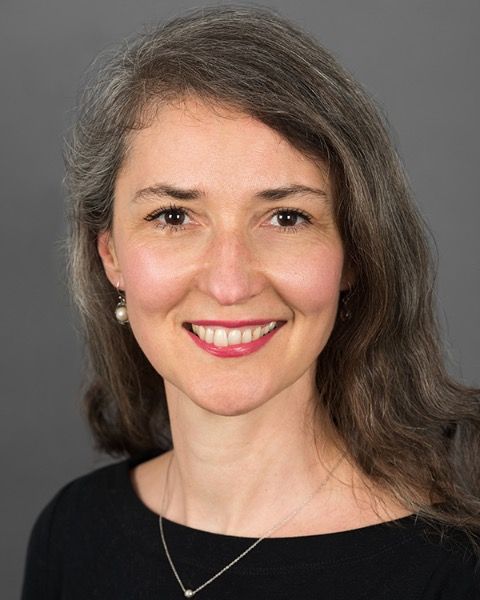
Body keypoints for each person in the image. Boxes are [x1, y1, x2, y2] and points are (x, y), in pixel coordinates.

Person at [21, 5, 480, 599]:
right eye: (173, 216)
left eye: (286, 217)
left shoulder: (457, 568)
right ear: (110, 256)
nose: (229, 283)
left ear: (354, 254)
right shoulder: (71, 533)